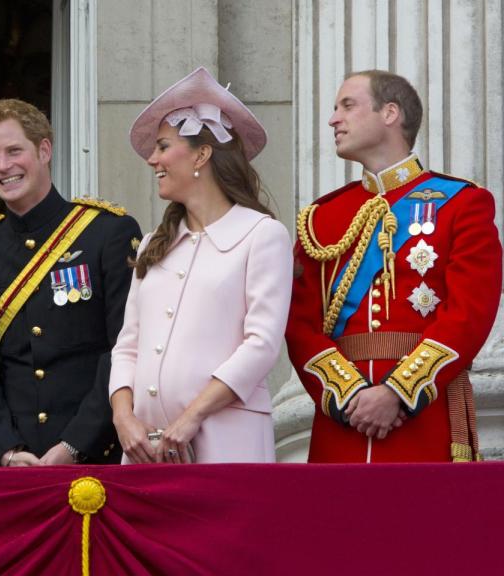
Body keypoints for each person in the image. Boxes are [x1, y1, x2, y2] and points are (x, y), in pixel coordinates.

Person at [286, 70, 503, 463]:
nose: (334, 119)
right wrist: (349, 395)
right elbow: (299, 324)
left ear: (390, 113)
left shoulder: (462, 203)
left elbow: (470, 313)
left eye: (347, 105)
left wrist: (397, 392)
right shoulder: (321, 219)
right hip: (344, 420)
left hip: (423, 414)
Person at [109, 67, 292, 464]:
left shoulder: (262, 234)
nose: (151, 159)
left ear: (202, 154)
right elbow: (128, 345)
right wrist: (124, 418)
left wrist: (192, 416)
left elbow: (261, 345)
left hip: (228, 443)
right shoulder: (154, 245)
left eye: (162, 146)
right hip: (145, 451)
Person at [0, 99, 142, 467]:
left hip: (95, 455)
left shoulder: (107, 232)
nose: (3, 166)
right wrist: (6, 451)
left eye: (14, 151)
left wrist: (74, 445)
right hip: (16, 465)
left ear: (44, 150)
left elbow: (123, 350)